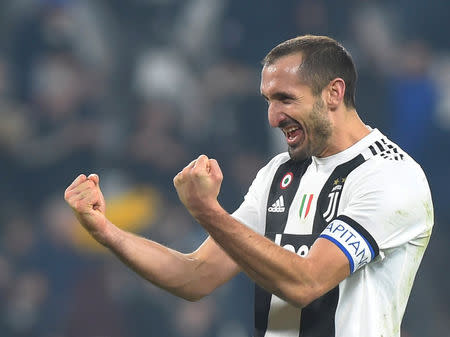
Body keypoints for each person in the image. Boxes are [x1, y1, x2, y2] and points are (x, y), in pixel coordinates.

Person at [64, 35, 434, 337]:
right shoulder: (279, 173)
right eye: (269, 101)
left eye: (286, 98)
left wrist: (208, 211)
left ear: (333, 93)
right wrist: (107, 232)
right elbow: (196, 275)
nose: (273, 117)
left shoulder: (389, 176)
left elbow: (306, 283)